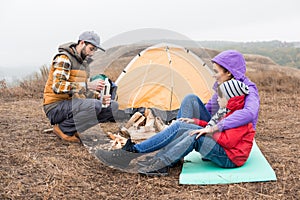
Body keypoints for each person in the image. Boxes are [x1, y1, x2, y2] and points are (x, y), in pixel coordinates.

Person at [95, 50, 260, 173]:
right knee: (189, 103)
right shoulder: (224, 89)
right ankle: (158, 151)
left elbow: (249, 114)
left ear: (229, 72)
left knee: (191, 132)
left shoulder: (248, 90)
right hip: (220, 131)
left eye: (216, 71)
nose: (213, 75)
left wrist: (212, 128)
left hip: (228, 137)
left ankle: (150, 155)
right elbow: (212, 109)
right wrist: (193, 122)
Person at [137, 79, 256, 175]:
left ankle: (163, 164)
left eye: (220, 97)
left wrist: (207, 132)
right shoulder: (227, 111)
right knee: (191, 131)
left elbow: (228, 142)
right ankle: (159, 158)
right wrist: (195, 122)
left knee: (195, 136)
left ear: (230, 98)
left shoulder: (240, 119)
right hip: (225, 150)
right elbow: (214, 126)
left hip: (230, 158)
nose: (217, 99)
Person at [43, 31, 118, 143]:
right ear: (82, 43)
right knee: (95, 106)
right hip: (55, 106)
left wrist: (98, 97)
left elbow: (82, 92)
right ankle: (63, 129)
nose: (92, 53)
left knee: (111, 107)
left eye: (94, 50)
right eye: (91, 49)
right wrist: (88, 85)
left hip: (73, 104)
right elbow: (58, 87)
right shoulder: (64, 58)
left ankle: (74, 128)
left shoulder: (84, 65)